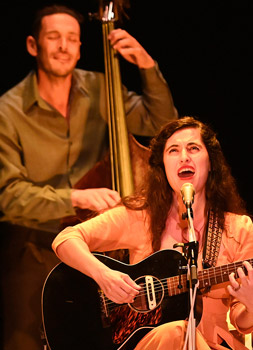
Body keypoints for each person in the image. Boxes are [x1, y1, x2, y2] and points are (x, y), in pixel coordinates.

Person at [0, 4, 178, 350]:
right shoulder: (7, 111)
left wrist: (147, 66)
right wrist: (75, 197)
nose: (64, 46)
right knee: (27, 341)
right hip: (34, 246)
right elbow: (7, 195)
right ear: (33, 45)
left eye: (72, 39)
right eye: (54, 37)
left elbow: (160, 125)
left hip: (97, 248)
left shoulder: (100, 88)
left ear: (81, 47)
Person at [52, 116, 253, 350]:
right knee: (176, 332)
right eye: (173, 150)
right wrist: (103, 275)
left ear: (211, 162)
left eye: (193, 148)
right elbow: (65, 239)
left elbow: (242, 322)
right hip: (148, 343)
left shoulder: (239, 228)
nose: (184, 156)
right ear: (162, 165)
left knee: (179, 333)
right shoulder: (140, 217)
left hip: (214, 345)